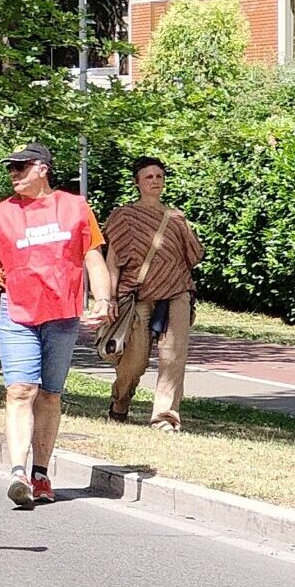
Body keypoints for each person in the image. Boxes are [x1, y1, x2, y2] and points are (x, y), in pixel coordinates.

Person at [0, 142, 114, 507]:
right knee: (20, 391)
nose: (13, 175)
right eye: (10, 169)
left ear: (42, 169)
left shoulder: (75, 208)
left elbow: (93, 257)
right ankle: (17, 472)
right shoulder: (0, 215)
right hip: (18, 314)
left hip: (62, 313)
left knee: (50, 394)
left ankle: (40, 473)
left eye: (21, 168)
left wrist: (104, 300)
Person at [103, 157, 204, 431]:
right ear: (137, 182)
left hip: (176, 291)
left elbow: (193, 255)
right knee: (134, 361)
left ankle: (165, 417)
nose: (155, 182)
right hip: (137, 295)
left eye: (159, 177)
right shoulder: (123, 216)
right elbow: (113, 261)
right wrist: (109, 297)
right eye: (149, 177)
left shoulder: (175, 217)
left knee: (173, 356)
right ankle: (120, 400)